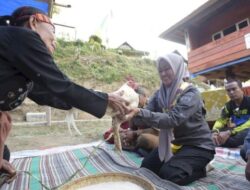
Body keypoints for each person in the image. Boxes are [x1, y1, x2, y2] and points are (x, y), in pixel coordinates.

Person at [0, 6, 129, 181]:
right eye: (53, 30)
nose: (55, 41)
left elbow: (46, 94)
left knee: (4, 153)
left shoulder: (19, 59)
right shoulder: (24, 36)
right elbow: (60, 84)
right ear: (33, 22)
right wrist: (106, 99)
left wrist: (95, 101)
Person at [125, 53, 215, 185]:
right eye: (160, 70)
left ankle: (203, 169)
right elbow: (145, 117)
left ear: (177, 68)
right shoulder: (160, 94)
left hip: (198, 146)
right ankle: (179, 162)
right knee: (146, 168)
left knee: (169, 175)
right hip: (175, 144)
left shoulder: (191, 93)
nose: (163, 73)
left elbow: (173, 119)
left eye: (167, 68)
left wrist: (140, 112)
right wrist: (128, 110)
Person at [212, 79, 250, 147]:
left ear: (241, 89)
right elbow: (221, 120)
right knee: (211, 134)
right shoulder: (228, 105)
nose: (231, 92)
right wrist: (214, 131)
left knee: (241, 136)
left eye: (234, 89)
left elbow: (248, 124)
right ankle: (218, 141)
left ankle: (218, 142)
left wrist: (230, 132)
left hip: (245, 129)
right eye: (228, 90)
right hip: (235, 130)